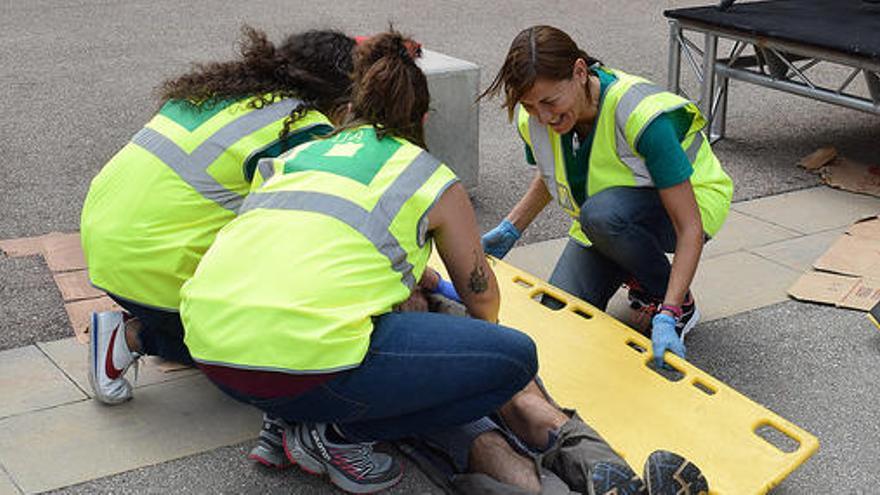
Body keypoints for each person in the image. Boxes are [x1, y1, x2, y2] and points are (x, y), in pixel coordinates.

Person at [178, 30, 540, 494]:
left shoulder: (296, 155)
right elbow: (484, 300)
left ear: (349, 109)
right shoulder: (427, 175)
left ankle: (286, 419)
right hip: (301, 365)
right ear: (423, 117)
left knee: (364, 320)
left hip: (213, 351)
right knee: (512, 359)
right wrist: (455, 351)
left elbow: (311, 253)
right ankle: (336, 433)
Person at [79, 26, 356, 466]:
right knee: (254, 344)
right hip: (153, 271)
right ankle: (134, 335)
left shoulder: (217, 92)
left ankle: (155, 320)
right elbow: (306, 228)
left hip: (106, 245)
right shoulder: (304, 127)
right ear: (342, 96)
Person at [479, 25, 733, 368]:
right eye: (529, 105)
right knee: (556, 314)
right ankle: (629, 263)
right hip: (606, 218)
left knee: (603, 215)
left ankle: (670, 297)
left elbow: (690, 227)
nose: (543, 116)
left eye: (550, 102)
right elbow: (551, 173)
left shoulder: (639, 114)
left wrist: (669, 312)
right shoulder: (536, 119)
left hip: (691, 206)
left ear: (580, 72)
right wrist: (511, 228)